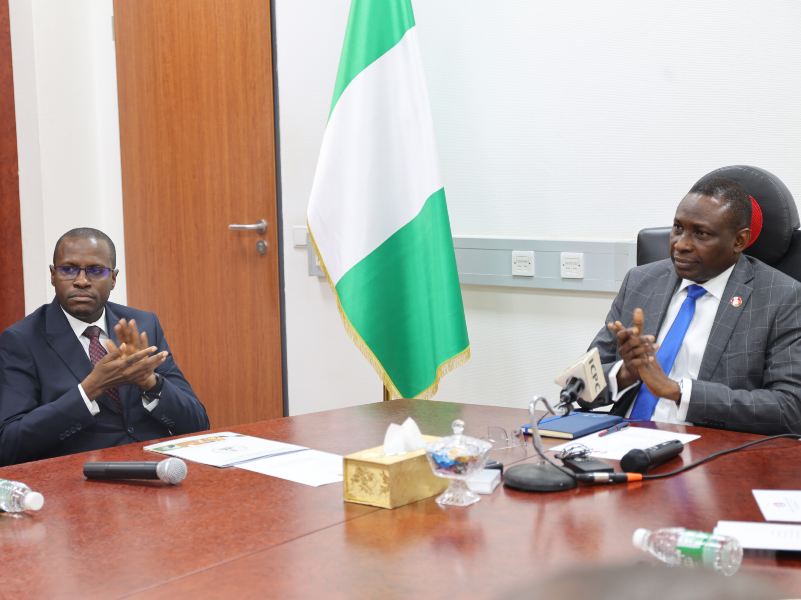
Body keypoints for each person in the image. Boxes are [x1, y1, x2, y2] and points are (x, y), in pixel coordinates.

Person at [590, 177, 801, 435]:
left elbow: (790, 409)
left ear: (739, 241)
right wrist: (625, 373)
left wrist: (677, 391)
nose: (681, 244)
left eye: (701, 234)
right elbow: (578, 387)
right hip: (618, 441)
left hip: (705, 451)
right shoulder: (641, 281)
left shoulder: (782, 297)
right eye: (678, 228)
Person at [0, 228, 209, 465]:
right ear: (52, 275)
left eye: (95, 270)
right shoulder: (22, 340)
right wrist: (88, 389)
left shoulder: (142, 325)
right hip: (81, 479)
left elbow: (198, 423)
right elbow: (8, 444)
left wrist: (150, 382)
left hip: (157, 468)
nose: (81, 281)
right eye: (68, 269)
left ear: (113, 278)